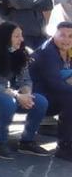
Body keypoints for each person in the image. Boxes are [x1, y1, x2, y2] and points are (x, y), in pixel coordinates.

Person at [0, 21, 51, 159]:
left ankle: (27, 141)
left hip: (5, 93)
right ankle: (1, 143)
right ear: (4, 37)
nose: (21, 39)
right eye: (17, 36)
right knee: (8, 102)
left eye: (21, 35)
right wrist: (17, 96)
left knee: (40, 101)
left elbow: (25, 79)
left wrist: (27, 94)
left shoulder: (19, 52)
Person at [29, 21, 72, 161]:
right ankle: (64, 147)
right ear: (54, 35)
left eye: (71, 36)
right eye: (62, 35)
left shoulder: (67, 50)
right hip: (39, 96)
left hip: (56, 92)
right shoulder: (48, 52)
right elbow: (55, 85)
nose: (67, 40)